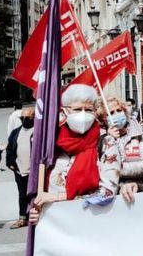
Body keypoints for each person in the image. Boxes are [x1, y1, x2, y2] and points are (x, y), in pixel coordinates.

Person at [28, 85, 122, 224]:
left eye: (88, 110)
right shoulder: (50, 146)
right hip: (56, 225)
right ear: (64, 111)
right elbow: (39, 189)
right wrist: (37, 211)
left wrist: (59, 197)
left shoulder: (105, 143)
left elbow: (107, 192)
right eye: (77, 109)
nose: (83, 114)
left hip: (90, 224)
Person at [101, 98, 143, 189]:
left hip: (139, 188)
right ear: (104, 119)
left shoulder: (137, 133)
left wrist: (118, 169)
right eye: (111, 113)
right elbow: (101, 168)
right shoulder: (101, 138)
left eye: (119, 110)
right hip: (113, 189)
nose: (116, 114)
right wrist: (109, 140)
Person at [6, 106, 34, 229]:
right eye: (22, 118)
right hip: (19, 169)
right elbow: (10, 147)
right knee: (22, 194)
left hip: (34, 170)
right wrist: (10, 162)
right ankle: (22, 218)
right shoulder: (15, 132)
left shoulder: (38, 132)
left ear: (33, 117)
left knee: (33, 194)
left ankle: (34, 216)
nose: (24, 120)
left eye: (27, 117)